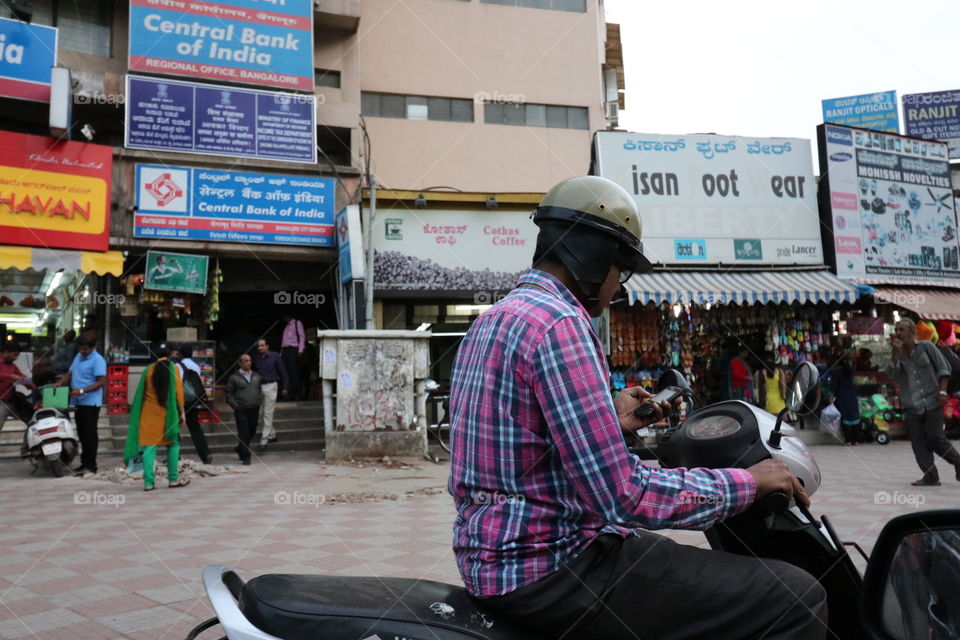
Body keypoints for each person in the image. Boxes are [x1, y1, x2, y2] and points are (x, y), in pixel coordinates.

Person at [448, 176, 824, 639]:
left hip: (497, 558)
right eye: (619, 273)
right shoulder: (561, 326)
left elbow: (521, 439)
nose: (617, 289)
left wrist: (608, 418)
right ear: (594, 260)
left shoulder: (496, 319)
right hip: (553, 567)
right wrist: (748, 482)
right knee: (796, 596)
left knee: (666, 560)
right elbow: (625, 495)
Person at [887, 318, 960, 486]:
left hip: (933, 399)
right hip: (912, 403)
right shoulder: (897, 354)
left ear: (913, 333)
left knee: (935, 437)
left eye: (902, 330)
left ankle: (957, 460)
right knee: (918, 442)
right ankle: (930, 476)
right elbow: (893, 374)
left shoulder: (927, 347)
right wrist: (895, 353)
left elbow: (944, 369)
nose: (898, 333)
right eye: (897, 329)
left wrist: (942, 391)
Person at [125, 350, 190, 491]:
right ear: (168, 356)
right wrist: (182, 413)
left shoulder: (148, 370)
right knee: (173, 444)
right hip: (169, 413)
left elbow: (140, 395)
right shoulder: (175, 369)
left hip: (149, 414)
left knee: (149, 446)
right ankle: (173, 480)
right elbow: (179, 394)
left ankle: (148, 483)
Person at [56, 336, 106, 475]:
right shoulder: (78, 356)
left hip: (90, 402)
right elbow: (70, 373)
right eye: (80, 348)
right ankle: (84, 463)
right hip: (78, 402)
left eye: (85, 349)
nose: (83, 351)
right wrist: (60, 383)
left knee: (89, 434)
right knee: (82, 434)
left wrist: (83, 390)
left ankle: (91, 466)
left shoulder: (97, 360)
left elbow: (101, 382)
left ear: (92, 347)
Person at [170, 345, 212, 464]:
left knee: (176, 428)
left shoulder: (177, 366)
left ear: (180, 354)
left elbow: (176, 384)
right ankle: (205, 454)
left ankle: (175, 455)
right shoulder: (195, 365)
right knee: (195, 428)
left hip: (181, 400)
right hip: (193, 401)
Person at [227, 354, 263, 465]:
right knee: (243, 432)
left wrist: (259, 402)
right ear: (240, 363)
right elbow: (229, 394)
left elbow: (260, 390)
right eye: (245, 361)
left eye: (249, 361)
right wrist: (235, 405)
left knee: (252, 430)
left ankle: (240, 448)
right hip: (241, 409)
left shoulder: (256, 376)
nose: (248, 363)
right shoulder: (234, 377)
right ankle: (246, 456)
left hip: (254, 408)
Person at [252, 338, 287, 451]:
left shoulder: (275, 356)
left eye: (262, 345)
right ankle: (272, 434)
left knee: (267, 413)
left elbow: (283, 372)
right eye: (258, 346)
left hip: (272, 386)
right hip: (260, 387)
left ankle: (264, 439)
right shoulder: (257, 359)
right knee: (261, 412)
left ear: (267, 346)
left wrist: (285, 387)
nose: (260, 348)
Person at [831, 353, 862, 446]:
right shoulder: (851, 371)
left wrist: (832, 395)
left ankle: (848, 440)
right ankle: (856, 440)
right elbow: (854, 383)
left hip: (842, 396)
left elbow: (834, 385)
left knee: (845, 418)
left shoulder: (835, 371)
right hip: (852, 395)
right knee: (854, 417)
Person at [0, 345, 31, 432]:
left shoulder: (13, 366)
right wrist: (11, 377)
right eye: (15, 355)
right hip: (1, 403)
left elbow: (22, 378)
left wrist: (34, 385)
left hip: (12, 401)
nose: (16, 358)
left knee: (31, 421)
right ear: (6, 352)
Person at [280, 314, 305, 401]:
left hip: (293, 349)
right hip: (285, 351)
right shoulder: (286, 326)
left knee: (294, 372)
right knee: (286, 372)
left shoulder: (297, 323)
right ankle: (289, 393)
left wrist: (300, 350)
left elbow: (302, 337)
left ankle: (297, 393)